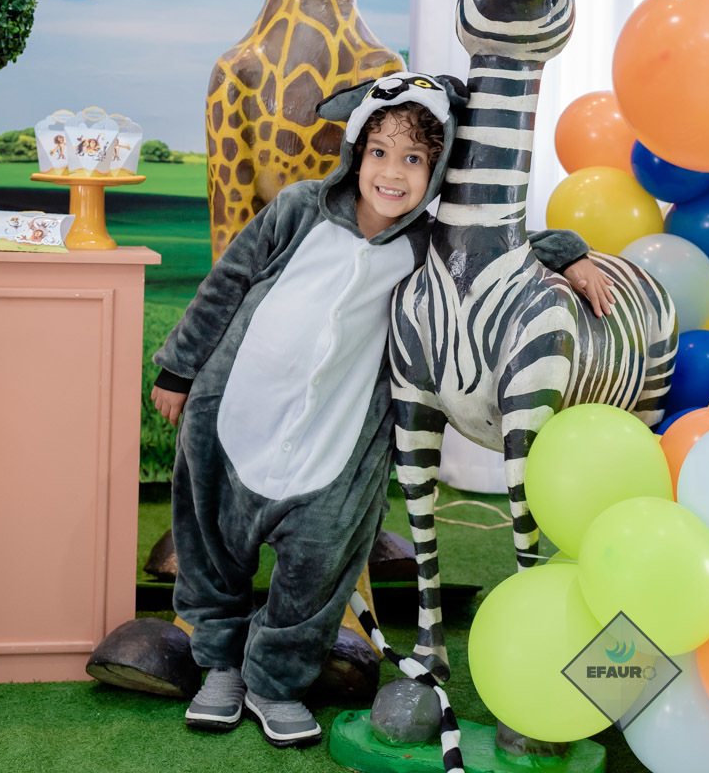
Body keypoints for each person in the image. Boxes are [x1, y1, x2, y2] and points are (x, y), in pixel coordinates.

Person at [151, 72, 612, 748]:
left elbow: (503, 248)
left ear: (437, 170)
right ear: (356, 152)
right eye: (379, 152)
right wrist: (179, 368)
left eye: (414, 159)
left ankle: (275, 681)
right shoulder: (300, 209)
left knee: (320, 560)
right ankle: (219, 664)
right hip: (235, 410)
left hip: (336, 439)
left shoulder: (431, 243)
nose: (392, 173)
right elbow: (227, 281)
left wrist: (569, 255)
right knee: (211, 546)